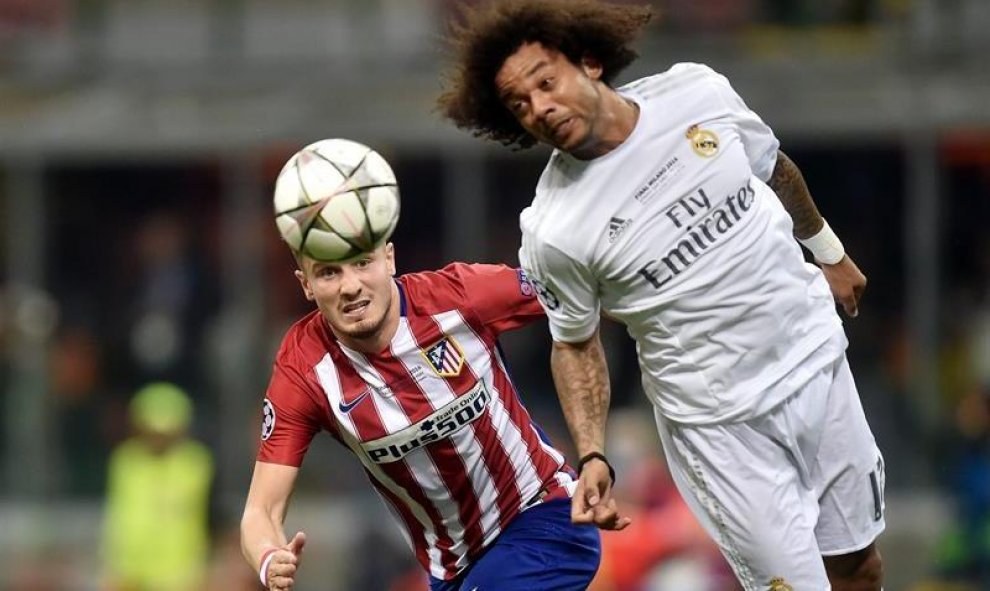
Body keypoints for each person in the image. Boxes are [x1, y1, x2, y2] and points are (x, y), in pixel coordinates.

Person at [437, 1, 885, 589]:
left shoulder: (698, 93)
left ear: (590, 62)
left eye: (546, 82)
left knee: (860, 566)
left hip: (817, 363)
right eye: (521, 104)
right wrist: (593, 453)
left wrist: (828, 252)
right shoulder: (555, 228)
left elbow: (774, 167)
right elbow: (573, 344)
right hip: (721, 424)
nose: (540, 107)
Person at [239, 240, 601, 591]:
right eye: (328, 273)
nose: (350, 287)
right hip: (452, 570)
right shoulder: (304, 370)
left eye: (363, 263)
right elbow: (261, 511)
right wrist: (269, 557)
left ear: (389, 258)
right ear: (306, 285)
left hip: (544, 518)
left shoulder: (461, 296)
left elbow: (579, 287)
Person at [101, 382, 214, 591]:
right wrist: (115, 569)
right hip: (131, 574)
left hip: (182, 576)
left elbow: (209, 517)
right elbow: (119, 519)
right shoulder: (125, 460)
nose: (159, 439)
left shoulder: (196, 463)